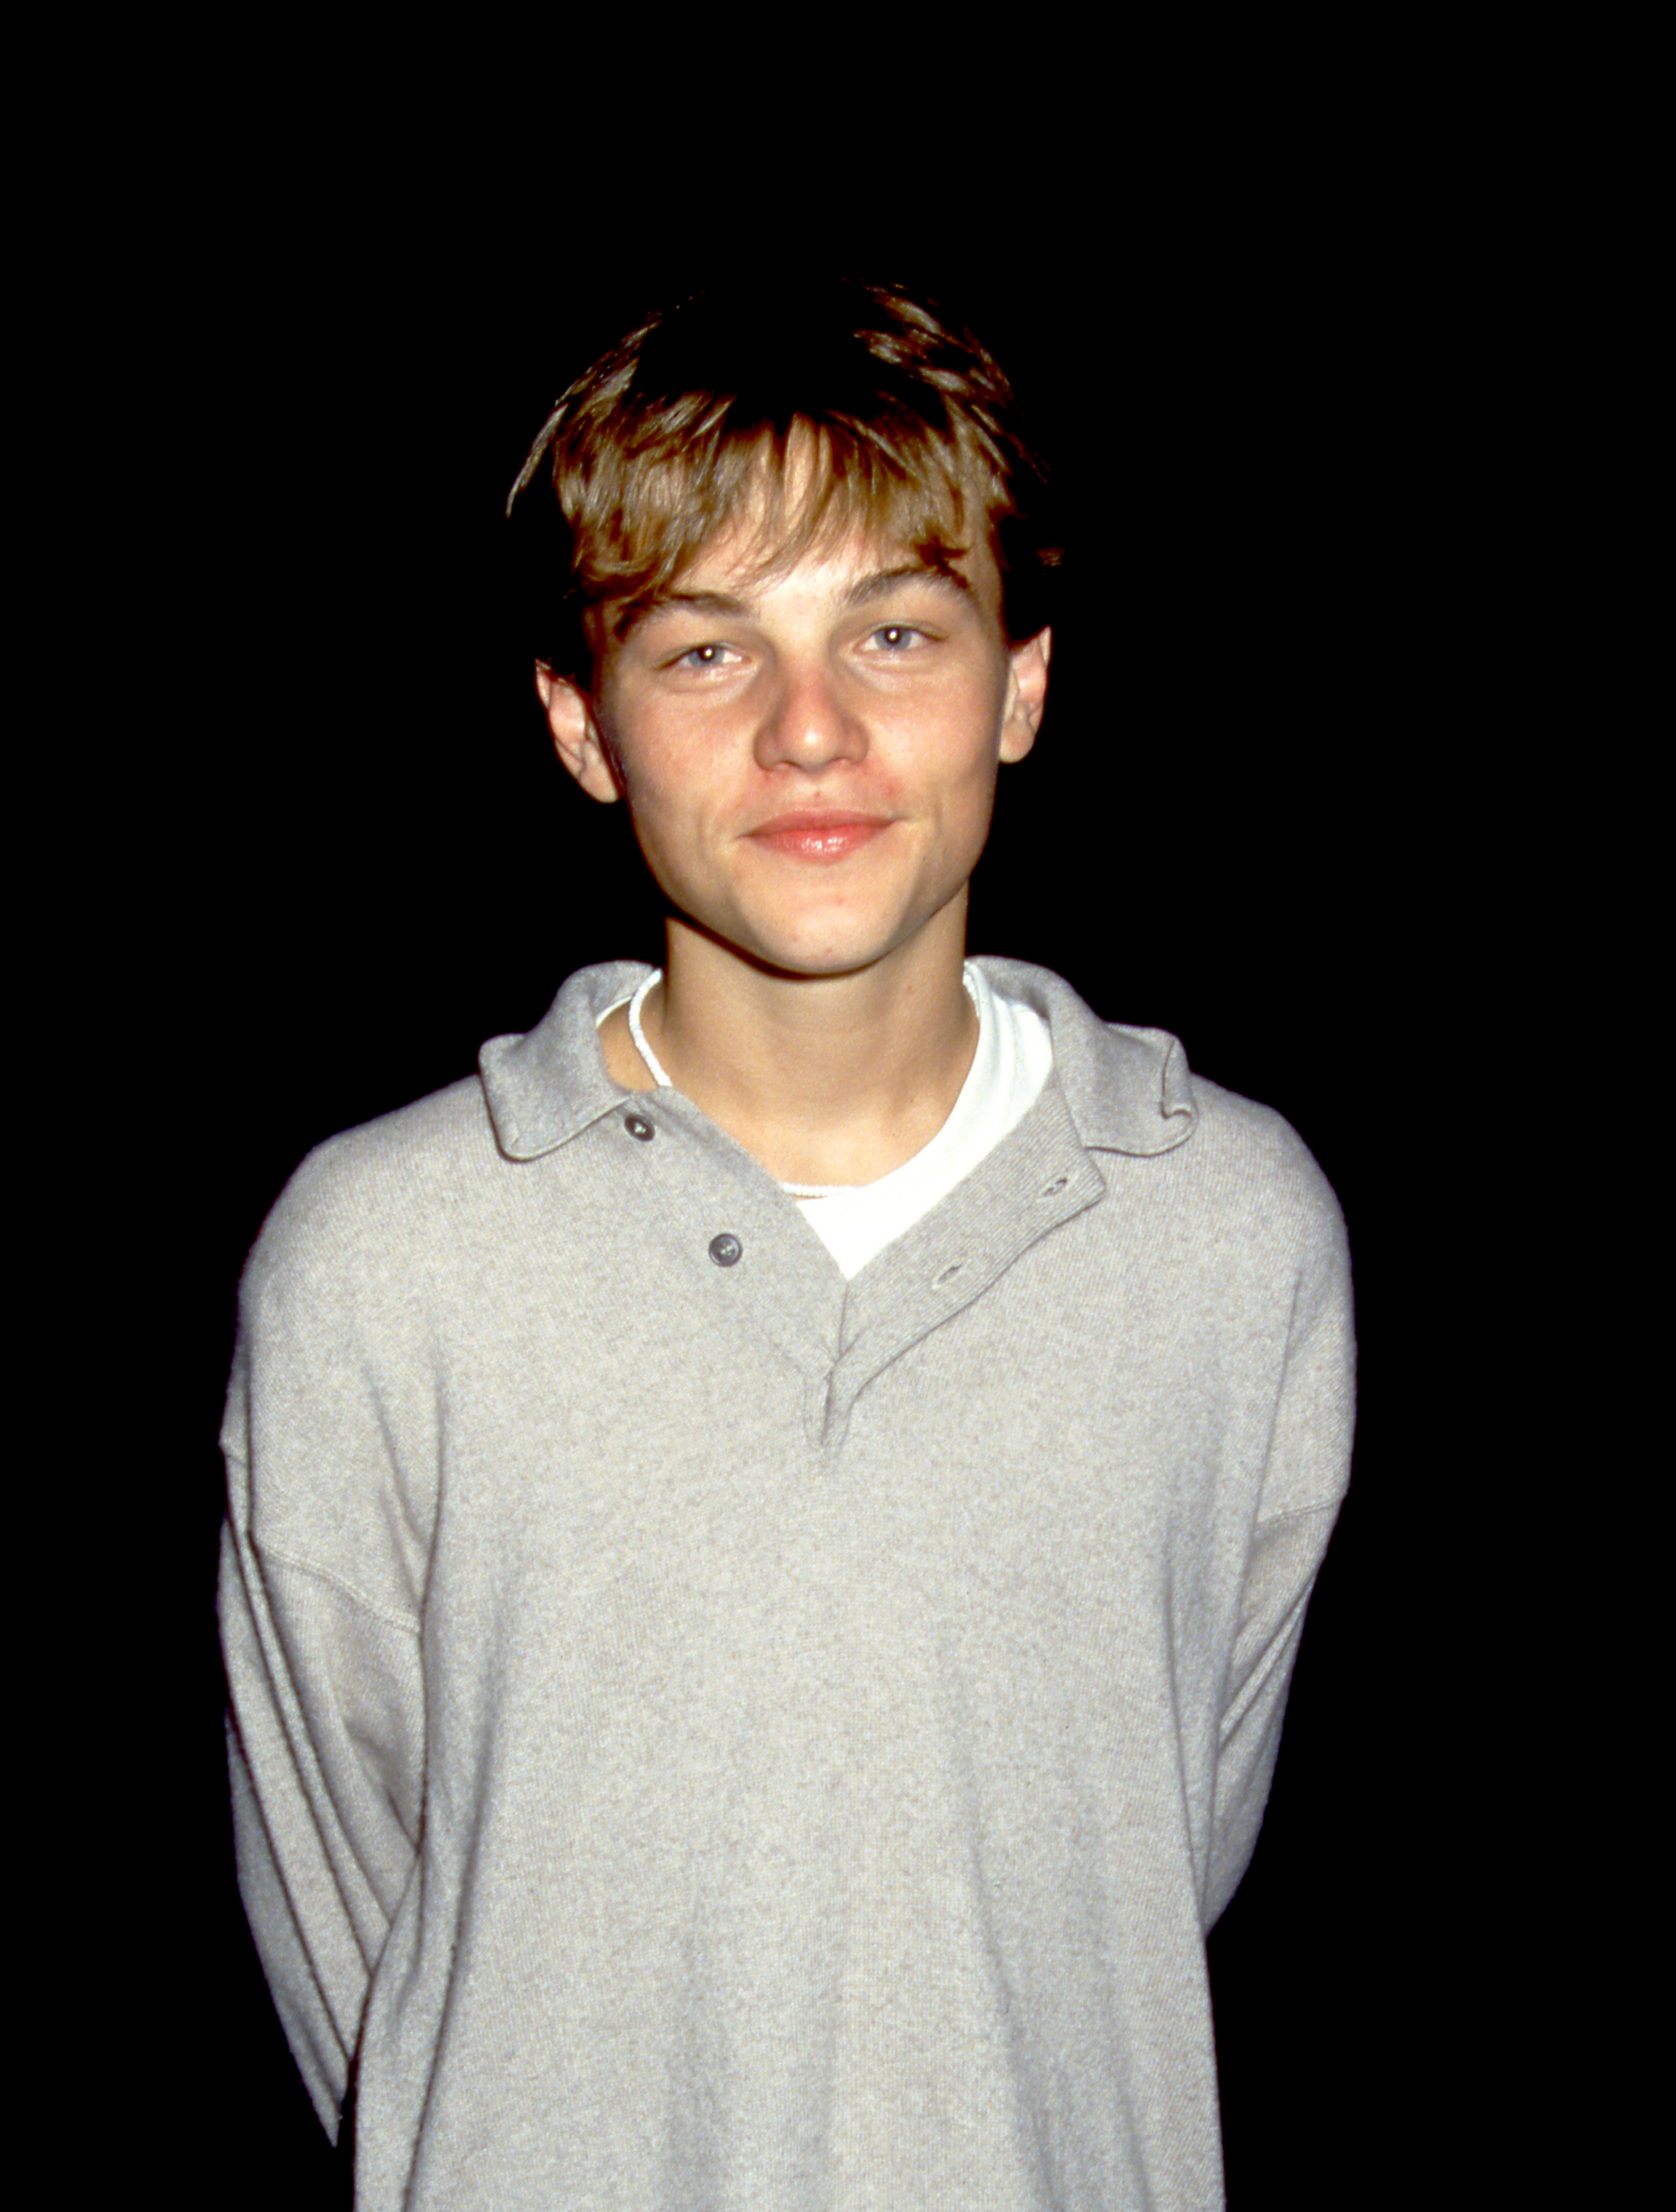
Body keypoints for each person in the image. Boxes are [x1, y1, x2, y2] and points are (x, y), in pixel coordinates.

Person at [218, 277, 1356, 2211]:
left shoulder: (1226, 1230)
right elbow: (357, 1919)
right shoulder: (390, 1254)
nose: (811, 731)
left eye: (894, 632)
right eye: (705, 653)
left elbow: (1165, 1848)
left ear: (1024, 681)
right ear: (582, 727)